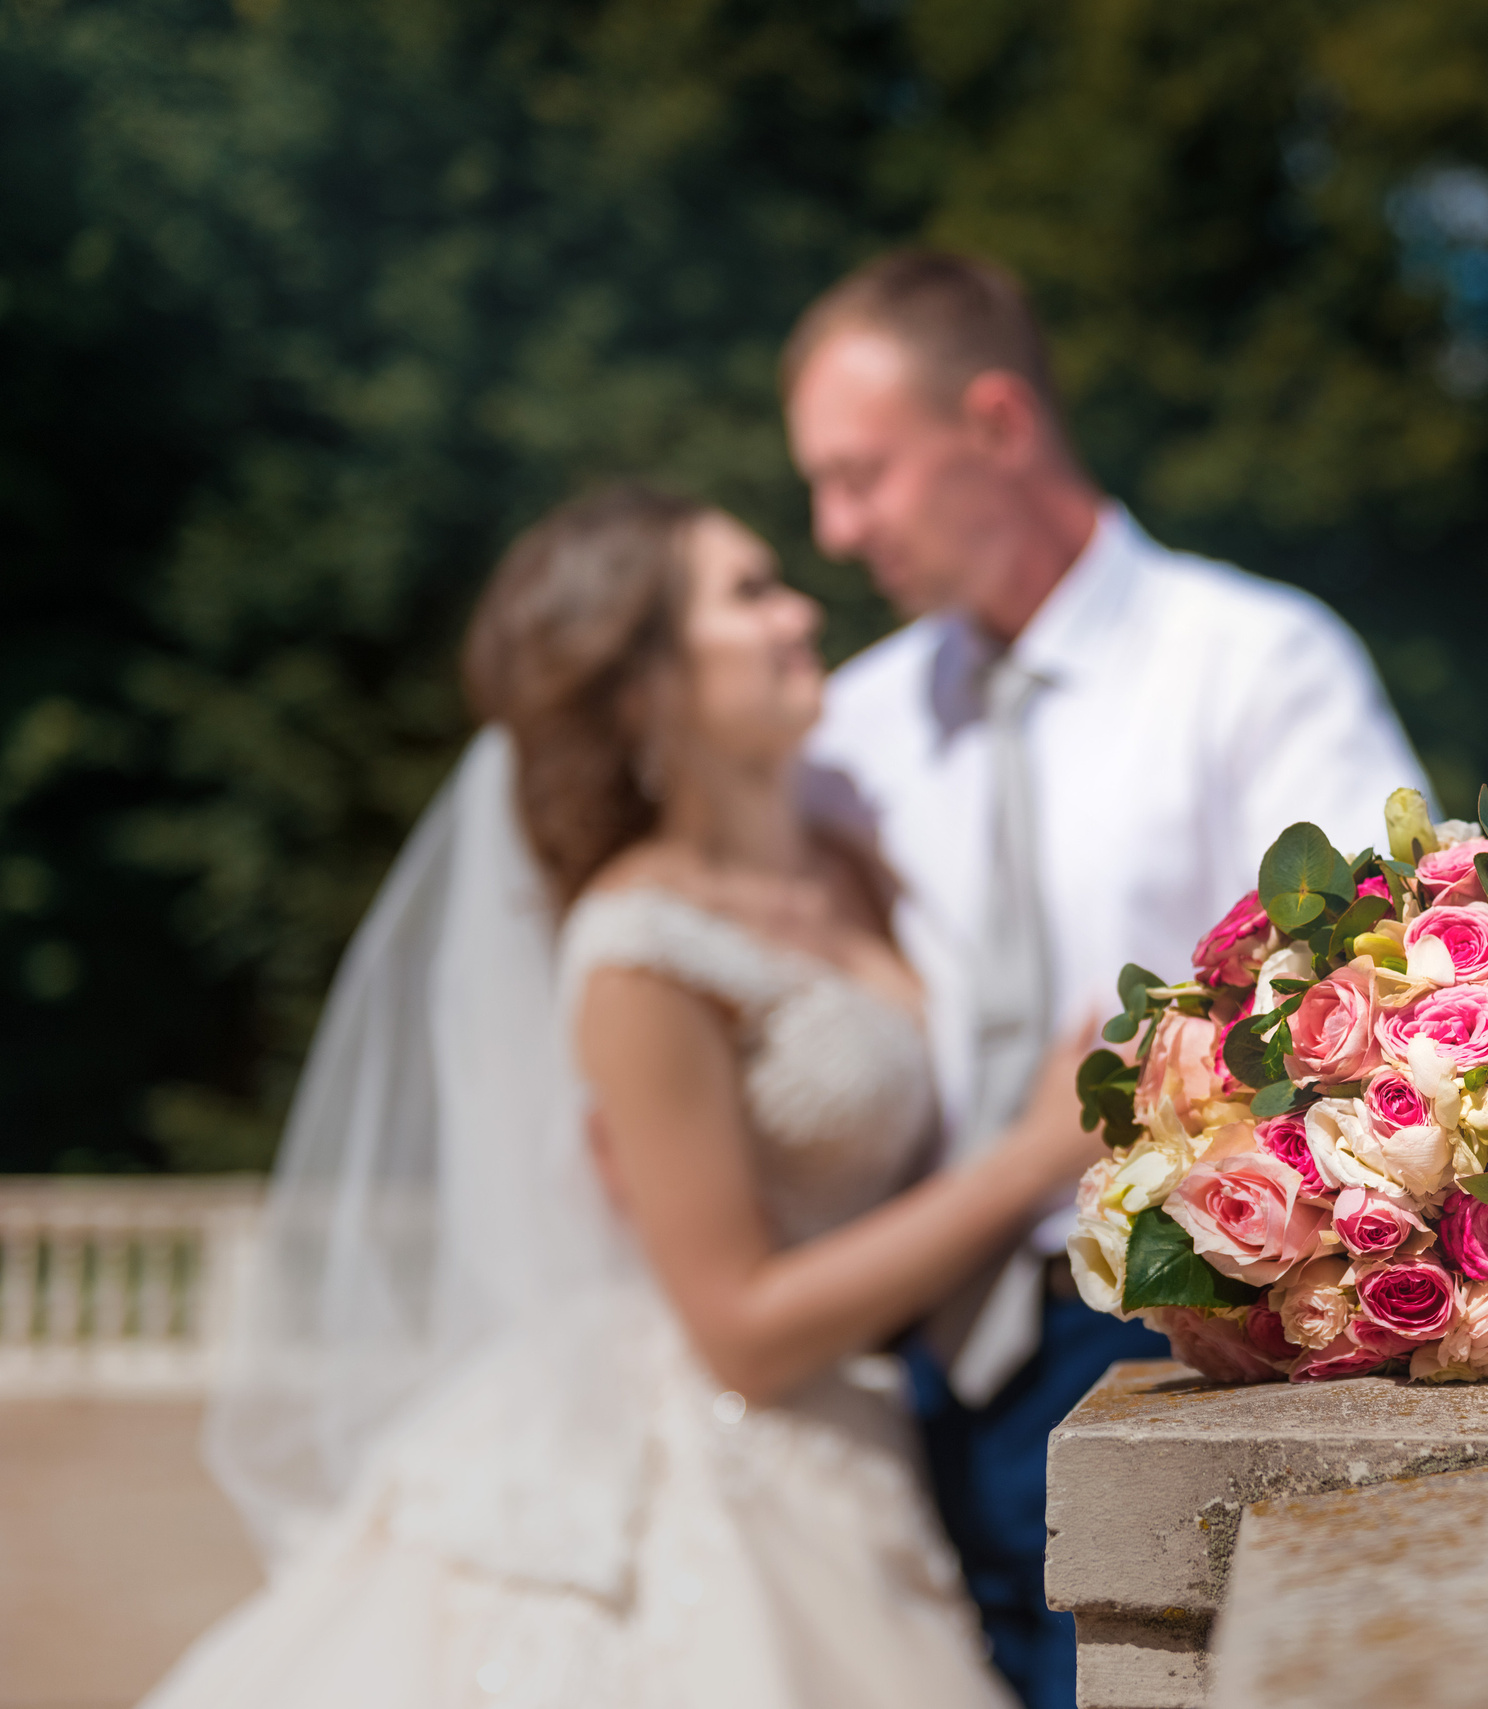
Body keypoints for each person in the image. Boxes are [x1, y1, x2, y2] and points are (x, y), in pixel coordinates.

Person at [151, 486, 1103, 1708]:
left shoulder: (852, 859)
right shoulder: (636, 950)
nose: (802, 610)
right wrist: (1029, 1160)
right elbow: (741, 1330)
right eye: (750, 593)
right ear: (644, 682)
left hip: (882, 1428)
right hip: (721, 1452)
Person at [782, 249, 1427, 1707]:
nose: (835, 529)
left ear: (997, 424)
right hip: (907, 1352)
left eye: (861, 475)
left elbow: (1356, 992)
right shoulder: (855, 728)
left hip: (1168, 1327)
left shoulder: (1256, 664)